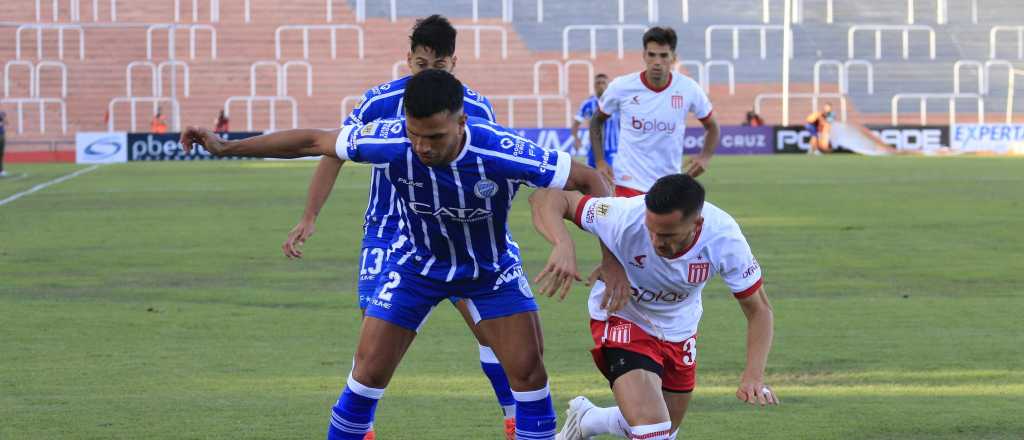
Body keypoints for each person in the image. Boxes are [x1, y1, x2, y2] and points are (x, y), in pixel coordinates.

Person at [179, 69, 612, 440]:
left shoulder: (501, 149)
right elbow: (313, 141)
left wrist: (608, 261)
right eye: (415, 134)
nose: (422, 147)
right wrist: (224, 146)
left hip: (489, 272)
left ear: (462, 121)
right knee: (364, 378)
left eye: (435, 137)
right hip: (414, 268)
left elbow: (590, 180)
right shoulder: (390, 140)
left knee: (530, 377)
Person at [279, 15, 512, 439]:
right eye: (422, 64)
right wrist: (310, 216)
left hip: (451, 232)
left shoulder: (475, 108)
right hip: (388, 231)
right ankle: (359, 428)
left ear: (453, 63)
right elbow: (332, 150)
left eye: (438, 65)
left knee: (492, 329)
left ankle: (515, 419)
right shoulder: (378, 101)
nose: (429, 72)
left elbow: (489, 169)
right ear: (409, 60)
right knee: (375, 340)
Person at [528, 174, 778, 440]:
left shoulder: (724, 238)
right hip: (623, 314)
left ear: (697, 224)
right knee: (652, 427)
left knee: (665, 428)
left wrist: (753, 376)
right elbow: (547, 197)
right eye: (652, 230)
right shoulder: (625, 215)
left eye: (668, 235)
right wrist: (564, 244)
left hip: (679, 330)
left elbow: (759, 310)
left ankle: (588, 420)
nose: (657, 241)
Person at [589, 27, 720, 197]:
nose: (657, 61)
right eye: (652, 55)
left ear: (674, 57)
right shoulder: (622, 86)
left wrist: (705, 157)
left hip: (669, 184)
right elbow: (596, 121)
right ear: (644, 55)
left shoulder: (689, 89)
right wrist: (600, 161)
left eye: (664, 55)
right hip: (626, 182)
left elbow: (713, 127)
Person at [571, 74, 619, 169]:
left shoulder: (616, 102)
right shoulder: (588, 104)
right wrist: (576, 139)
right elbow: (576, 124)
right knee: (592, 177)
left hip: (612, 149)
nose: (601, 85)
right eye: (598, 83)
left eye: (603, 83)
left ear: (608, 85)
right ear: (594, 86)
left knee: (609, 177)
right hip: (593, 149)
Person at [0, 111, 7, 177]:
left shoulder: (2, 123)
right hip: (1, 137)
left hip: (2, 137)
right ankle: (1, 170)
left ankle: (1, 170)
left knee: (1, 155)